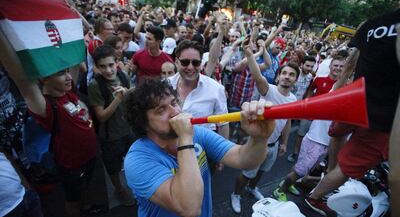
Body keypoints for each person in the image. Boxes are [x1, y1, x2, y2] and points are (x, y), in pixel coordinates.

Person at [123, 79, 276, 217]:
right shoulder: (137, 160)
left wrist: (259, 138)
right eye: (161, 110)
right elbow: (189, 208)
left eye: (174, 103)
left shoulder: (196, 133)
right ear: (143, 123)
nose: (175, 112)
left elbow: (243, 159)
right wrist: (185, 138)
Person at [304, 9, 400, 216]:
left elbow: (352, 60)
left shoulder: (375, 22)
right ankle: (316, 197)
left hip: (353, 98)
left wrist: (337, 92)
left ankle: (329, 171)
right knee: (348, 169)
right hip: (382, 118)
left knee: (337, 133)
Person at [0, 31, 97, 217]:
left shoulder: (68, 92)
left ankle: (86, 208)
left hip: (89, 158)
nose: (68, 77)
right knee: (72, 199)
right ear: (45, 78)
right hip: (71, 166)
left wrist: (73, 26)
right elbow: (23, 82)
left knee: (83, 191)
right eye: (61, 73)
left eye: (68, 71)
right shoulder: (46, 105)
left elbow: (76, 59)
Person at [230, 46, 298, 214]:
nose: (287, 77)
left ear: (295, 80)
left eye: (291, 75)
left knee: (262, 171)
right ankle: (236, 194)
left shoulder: (294, 99)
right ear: (278, 75)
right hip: (259, 143)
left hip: (274, 145)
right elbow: (258, 76)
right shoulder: (269, 90)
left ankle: (252, 188)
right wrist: (249, 55)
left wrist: (284, 143)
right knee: (247, 172)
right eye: (284, 73)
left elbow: (287, 123)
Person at [88, 45, 135, 206]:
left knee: (133, 161)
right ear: (96, 66)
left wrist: (127, 94)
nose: (108, 70)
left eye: (110, 65)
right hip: (111, 137)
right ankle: (120, 190)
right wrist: (118, 99)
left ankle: (136, 186)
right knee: (113, 167)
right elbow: (101, 116)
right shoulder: (95, 85)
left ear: (117, 62)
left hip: (129, 130)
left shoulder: (122, 75)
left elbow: (132, 98)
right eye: (102, 66)